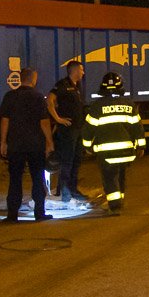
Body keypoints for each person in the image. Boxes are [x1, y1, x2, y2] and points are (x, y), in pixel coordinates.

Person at [81, 71, 145, 215]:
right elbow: (137, 128)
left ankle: (115, 206)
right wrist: (141, 146)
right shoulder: (129, 104)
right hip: (126, 152)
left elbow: (88, 129)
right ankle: (120, 200)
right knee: (120, 175)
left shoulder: (97, 106)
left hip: (107, 153)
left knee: (110, 178)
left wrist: (87, 146)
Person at [0, 67, 55, 222]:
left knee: (15, 178)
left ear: (20, 79)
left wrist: (3, 142)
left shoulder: (10, 96)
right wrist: (49, 143)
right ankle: (39, 213)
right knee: (37, 177)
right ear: (33, 79)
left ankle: (12, 214)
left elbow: (5, 121)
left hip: (15, 145)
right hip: (35, 145)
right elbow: (44, 123)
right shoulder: (38, 97)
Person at [47, 60, 88, 204]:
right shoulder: (63, 85)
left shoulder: (77, 86)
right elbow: (49, 100)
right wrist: (58, 119)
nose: (83, 72)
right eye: (81, 70)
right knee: (67, 161)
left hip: (78, 129)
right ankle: (65, 192)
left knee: (77, 160)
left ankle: (73, 189)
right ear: (75, 70)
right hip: (68, 131)